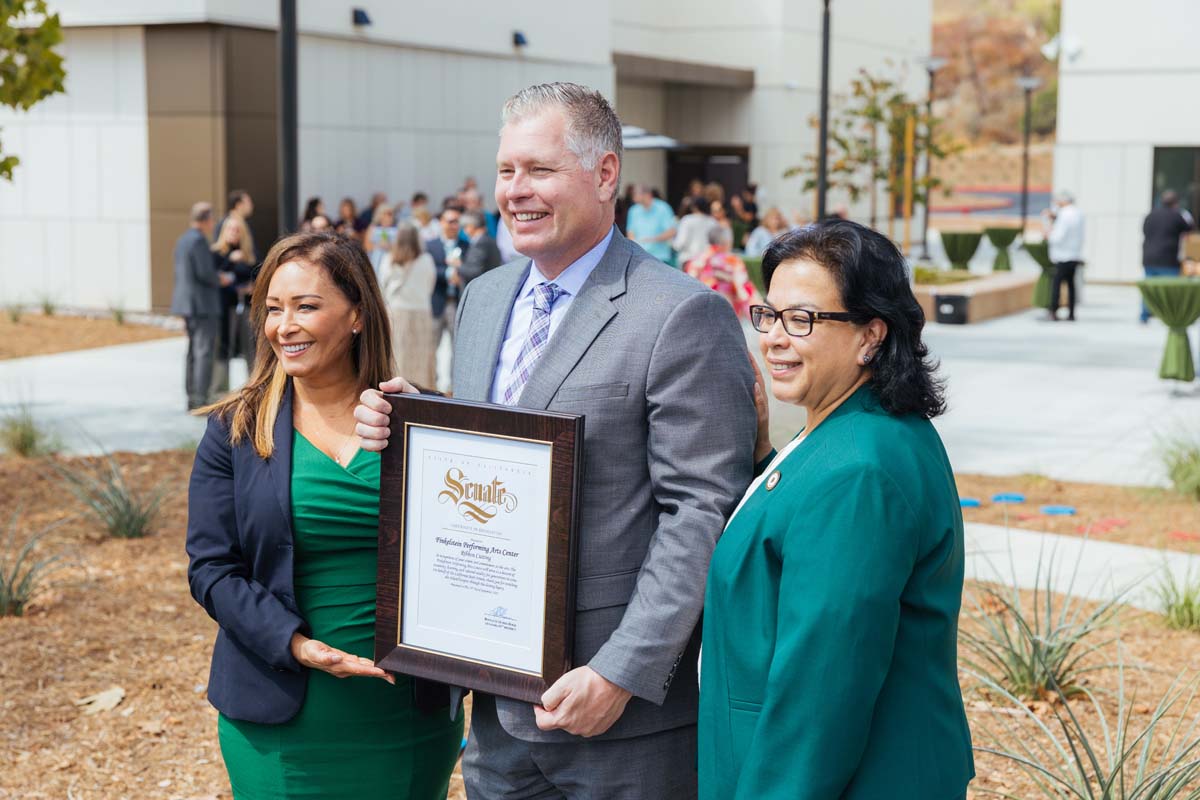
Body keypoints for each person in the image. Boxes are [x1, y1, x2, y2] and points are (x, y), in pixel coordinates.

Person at [354, 82, 756, 799]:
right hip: (494, 713)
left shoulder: (681, 315)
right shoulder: (483, 300)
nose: (516, 191)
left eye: (539, 170)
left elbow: (700, 512)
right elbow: (501, 441)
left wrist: (620, 672)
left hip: (617, 720)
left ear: (606, 175)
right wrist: (416, 421)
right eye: (507, 171)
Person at [700, 220, 974, 800]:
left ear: (870, 335)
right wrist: (761, 457)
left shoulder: (858, 473)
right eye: (769, 315)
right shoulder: (855, 429)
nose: (774, 337)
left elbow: (820, 695)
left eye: (802, 319)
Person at [185, 230, 463, 799]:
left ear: (357, 314)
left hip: (407, 714)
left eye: (305, 306)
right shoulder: (235, 430)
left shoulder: (424, 421)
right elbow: (211, 568)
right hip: (283, 711)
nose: (283, 326)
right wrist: (296, 644)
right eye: (273, 309)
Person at [169, 202, 231, 410]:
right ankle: (200, 400)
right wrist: (221, 279)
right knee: (204, 352)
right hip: (203, 305)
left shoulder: (183, 240)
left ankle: (192, 396)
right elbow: (204, 273)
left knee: (193, 352)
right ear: (206, 219)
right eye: (212, 219)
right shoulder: (199, 242)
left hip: (188, 305)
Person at [379, 223, 437, 389]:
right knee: (421, 357)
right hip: (421, 312)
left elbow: (382, 285)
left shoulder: (389, 260)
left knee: (398, 356)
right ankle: (421, 392)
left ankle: (396, 389)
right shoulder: (426, 260)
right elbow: (430, 286)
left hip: (396, 312)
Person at [208, 215, 255, 397]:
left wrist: (250, 286)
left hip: (246, 307)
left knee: (251, 348)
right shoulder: (216, 253)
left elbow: (256, 274)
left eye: (237, 229)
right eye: (230, 229)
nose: (233, 232)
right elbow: (216, 277)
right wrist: (231, 260)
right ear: (223, 231)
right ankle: (220, 391)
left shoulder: (249, 254)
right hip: (224, 308)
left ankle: (254, 389)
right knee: (223, 348)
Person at [1141, 190, 1195, 322]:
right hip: (1168, 259)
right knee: (1171, 290)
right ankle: (1170, 314)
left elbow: (1144, 231)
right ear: (1175, 204)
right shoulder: (1177, 216)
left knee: (1149, 288)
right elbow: (1189, 228)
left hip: (1149, 258)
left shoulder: (1150, 216)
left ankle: (1144, 315)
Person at [684, 226, 760, 320]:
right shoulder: (732, 260)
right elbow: (743, 286)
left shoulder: (697, 260)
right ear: (727, 242)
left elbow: (690, 282)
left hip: (701, 306)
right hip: (727, 306)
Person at [425, 205, 469, 363]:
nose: (453, 225)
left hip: (456, 302)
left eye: (456, 221)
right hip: (436, 301)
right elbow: (428, 270)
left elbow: (472, 269)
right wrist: (448, 274)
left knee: (458, 349)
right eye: (450, 221)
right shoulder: (430, 245)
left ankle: (454, 386)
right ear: (442, 223)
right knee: (430, 348)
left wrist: (461, 273)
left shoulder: (467, 245)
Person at [1043, 191, 1085, 321]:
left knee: (1057, 284)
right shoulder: (1078, 213)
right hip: (1074, 254)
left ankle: (1053, 311)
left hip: (1063, 255)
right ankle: (1071, 313)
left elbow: (1058, 236)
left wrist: (1049, 234)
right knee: (1071, 284)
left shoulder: (1065, 215)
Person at [625, 185, 678, 265]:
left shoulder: (663, 207)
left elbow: (672, 231)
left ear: (647, 194)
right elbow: (630, 232)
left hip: (660, 257)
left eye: (636, 193)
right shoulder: (633, 210)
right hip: (639, 258)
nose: (633, 196)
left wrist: (652, 240)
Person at [460, 210, 503, 283]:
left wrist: (458, 265)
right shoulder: (489, 239)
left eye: (464, 227)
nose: (464, 231)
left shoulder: (481, 243)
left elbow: (475, 272)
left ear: (471, 226)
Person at [672, 196, 717, 266]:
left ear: (694, 207)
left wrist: (672, 244)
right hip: (707, 261)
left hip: (688, 260)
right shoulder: (713, 222)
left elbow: (680, 243)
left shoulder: (687, 220)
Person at [365, 203, 398, 281]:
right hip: (375, 262)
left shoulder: (396, 230)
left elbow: (400, 248)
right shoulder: (372, 228)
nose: (388, 217)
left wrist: (389, 246)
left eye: (390, 214)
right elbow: (367, 246)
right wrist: (379, 245)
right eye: (385, 214)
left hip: (391, 264)